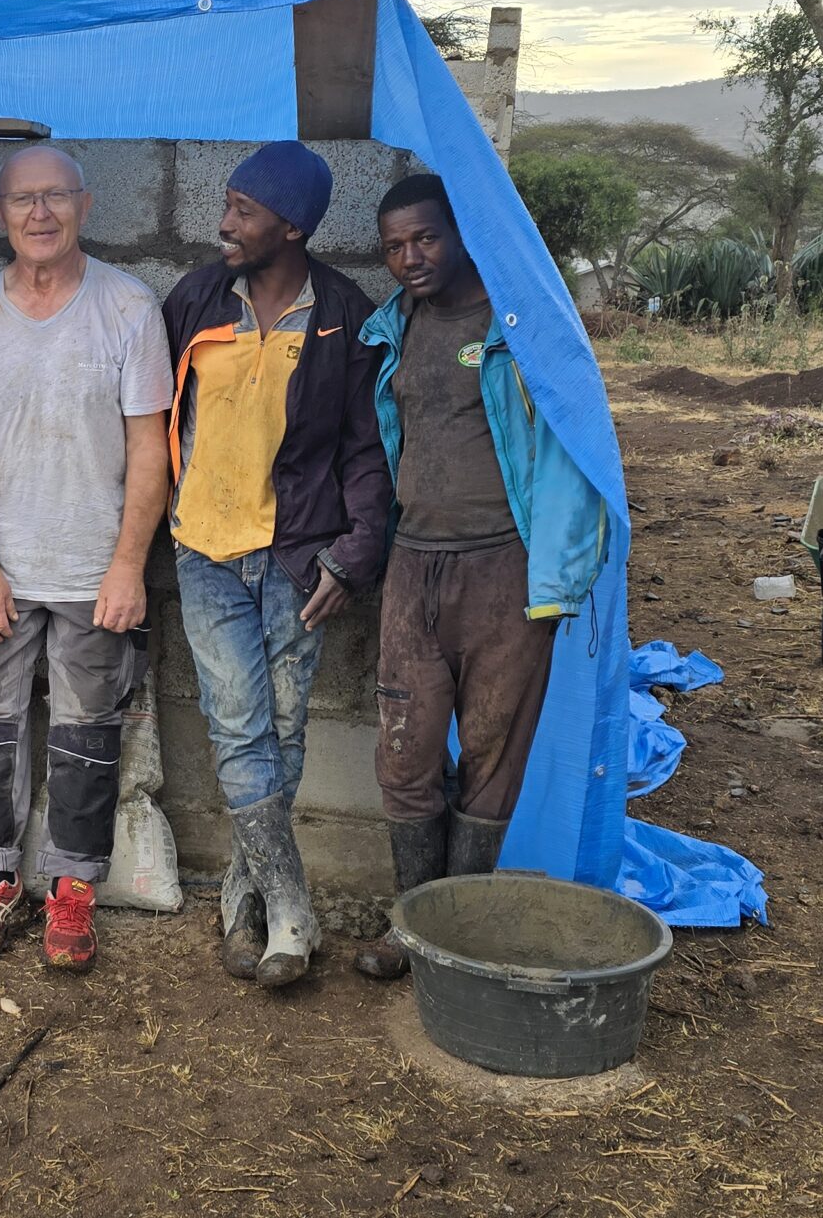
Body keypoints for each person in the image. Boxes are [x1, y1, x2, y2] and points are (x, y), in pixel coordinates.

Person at [352, 172, 605, 980]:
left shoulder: (516, 328)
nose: (410, 258)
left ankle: (454, 937)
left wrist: (558, 576)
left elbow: (575, 451)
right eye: (394, 246)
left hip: (505, 569)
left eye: (426, 238)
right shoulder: (392, 327)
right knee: (406, 753)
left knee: (492, 755)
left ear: (461, 233)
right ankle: (414, 922)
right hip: (413, 565)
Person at [161, 140, 390, 989]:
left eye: (243, 210)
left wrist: (354, 555)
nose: (224, 222)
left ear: (292, 227)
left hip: (297, 558)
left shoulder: (343, 316)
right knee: (236, 723)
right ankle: (292, 905)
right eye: (227, 203)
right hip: (204, 550)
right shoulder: (196, 299)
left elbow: (367, 449)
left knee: (283, 732)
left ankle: (242, 903)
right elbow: (155, 418)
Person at [0, 145, 172, 971]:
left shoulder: (129, 306)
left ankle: (72, 888)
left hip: (93, 567)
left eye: (56, 196)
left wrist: (128, 564)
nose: (40, 213)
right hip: (3, 566)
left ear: (86, 204)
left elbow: (150, 446)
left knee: (86, 733)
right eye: (22, 200)